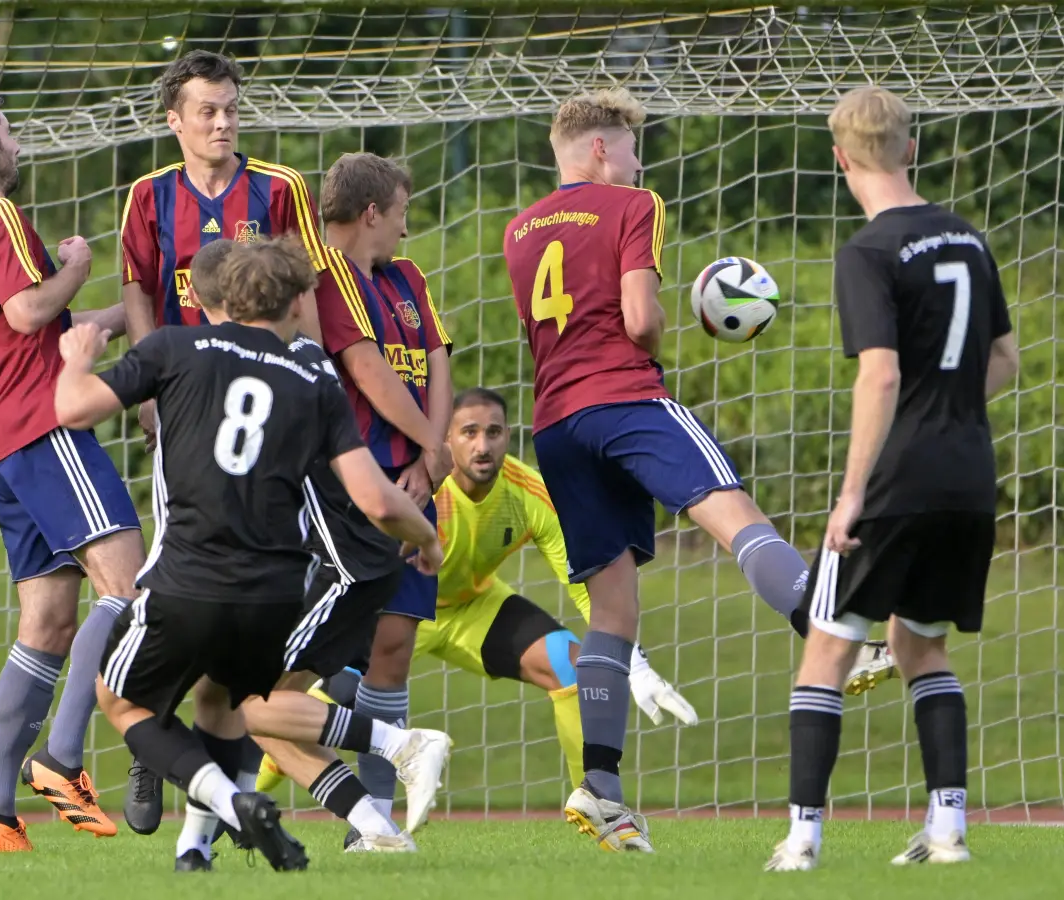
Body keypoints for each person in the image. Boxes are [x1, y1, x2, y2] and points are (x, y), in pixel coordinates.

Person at [51, 237, 446, 872]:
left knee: (120, 700)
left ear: (224, 295)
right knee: (223, 703)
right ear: (294, 303)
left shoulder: (175, 347)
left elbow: (71, 408)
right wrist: (427, 539)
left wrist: (77, 356)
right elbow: (375, 498)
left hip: (186, 578)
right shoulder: (315, 376)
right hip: (275, 596)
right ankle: (195, 850)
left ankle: (235, 805)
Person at [501, 88, 814, 852]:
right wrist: (668, 334)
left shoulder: (517, 228)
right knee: (738, 517)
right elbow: (639, 318)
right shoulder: (633, 203)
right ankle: (834, 631)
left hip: (557, 423)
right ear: (603, 149)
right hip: (625, 396)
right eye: (633, 146)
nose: (640, 161)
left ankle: (601, 787)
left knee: (611, 613)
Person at [765, 86, 1018, 872]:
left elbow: (878, 376)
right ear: (911, 149)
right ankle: (948, 832)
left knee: (825, 651)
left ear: (841, 160)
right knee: (921, 647)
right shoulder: (969, 239)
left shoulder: (868, 252)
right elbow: (1004, 361)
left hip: (896, 482)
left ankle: (802, 841)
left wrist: (850, 495)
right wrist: (944, 409)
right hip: (970, 478)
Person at [258, 386, 699, 801]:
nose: (482, 445)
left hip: (473, 606)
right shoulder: (421, 487)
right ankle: (249, 799)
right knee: (304, 706)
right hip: (397, 614)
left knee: (571, 664)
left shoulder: (528, 493)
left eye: (493, 432)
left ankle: (595, 806)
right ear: (446, 438)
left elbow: (582, 581)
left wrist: (632, 664)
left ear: (509, 436)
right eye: (469, 433)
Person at [0, 89, 146, 851]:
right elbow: (27, 311)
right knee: (127, 580)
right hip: (46, 429)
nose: (16, 143)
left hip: (3, 442)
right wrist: (79, 265)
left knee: (47, 622)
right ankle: (63, 755)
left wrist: (125, 320)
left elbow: (34, 328)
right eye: (9, 132)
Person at [116, 47, 329, 833]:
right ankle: (152, 738)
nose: (222, 121)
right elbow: (137, 287)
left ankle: (195, 779)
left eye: (231, 107)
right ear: (175, 119)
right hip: (188, 401)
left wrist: (313, 379)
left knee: (253, 577)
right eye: (206, 109)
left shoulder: (279, 188)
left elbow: (307, 288)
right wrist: (144, 388)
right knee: (186, 560)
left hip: (270, 406)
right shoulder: (149, 196)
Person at [163, 239, 427, 865]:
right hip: (327, 560)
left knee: (250, 702)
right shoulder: (302, 358)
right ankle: (360, 824)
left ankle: (401, 746)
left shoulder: (258, 365)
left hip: (332, 564)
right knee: (246, 705)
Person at [311, 151, 453, 832]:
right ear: (372, 212)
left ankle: (378, 823)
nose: (405, 227)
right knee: (317, 653)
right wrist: (431, 443)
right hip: (349, 486)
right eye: (400, 213)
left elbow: (436, 359)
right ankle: (220, 805)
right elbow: (367, 370)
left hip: (412, 484)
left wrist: (431, 459)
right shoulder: (327, 274)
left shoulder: (408, 277)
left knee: (393, 646)